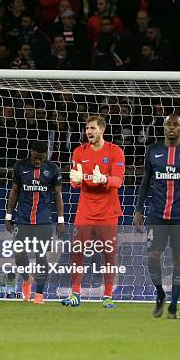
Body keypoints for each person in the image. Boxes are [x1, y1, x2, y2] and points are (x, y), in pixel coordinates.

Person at [134, 114, 180, 319]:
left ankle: (173, 306)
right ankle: (160, 293)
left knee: (179, 261)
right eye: (169, 124)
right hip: (156, 215)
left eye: (176, 125)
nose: (172, 128)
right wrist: (138, 209)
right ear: (164, 127)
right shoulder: (153, 150)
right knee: (152, 257)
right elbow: (146, 181)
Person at [62, 115, 125, 308]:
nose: (88, 131)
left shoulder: (115, 151)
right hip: (85, 211)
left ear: (102, 130)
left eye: (92, 128)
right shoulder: (79, 152)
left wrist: (104, 179)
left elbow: (118, 181)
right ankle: (75, 294)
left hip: (108, 212)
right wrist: (79, 179)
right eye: (87, 128)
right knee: (77, 252)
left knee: (108, 254)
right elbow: (74, 183)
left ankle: (107, 296)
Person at [5, 140, 65, 304]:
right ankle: (26, 279)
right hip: (23, 220)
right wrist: (9, 216)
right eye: (35, 157)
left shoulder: (53, 169)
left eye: (41, 157)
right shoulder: (20, 166)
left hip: (44, 221)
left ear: (46, 155)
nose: (38, 161)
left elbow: (58, 195)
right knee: (19, 255)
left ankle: (39, 294)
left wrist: (61, 221)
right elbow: (15, 191)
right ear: (30, 152)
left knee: (41, 256)